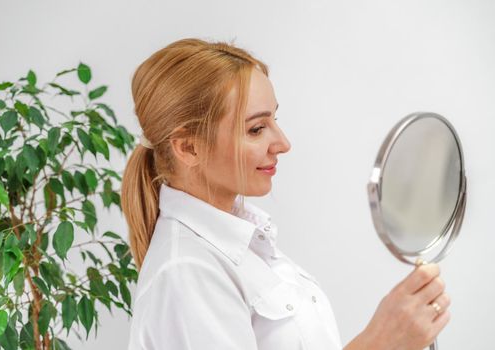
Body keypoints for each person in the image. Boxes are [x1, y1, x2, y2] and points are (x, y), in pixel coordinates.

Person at [121, 38, 450, 350]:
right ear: (189, 147)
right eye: (256, 128)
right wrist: (379, 342)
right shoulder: (186, 273)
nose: (283, 143)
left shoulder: (242, 248)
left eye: (274, 119)